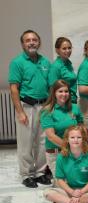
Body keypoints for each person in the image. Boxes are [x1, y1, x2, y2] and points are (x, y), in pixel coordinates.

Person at [9, 30, 52, 188]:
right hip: (26, 106)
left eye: (34, 39)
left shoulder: (46, 62)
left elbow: (51, 86)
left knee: (42, 142)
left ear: (39, 42)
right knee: (26, 142)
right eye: (28, 40)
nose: (32, 42)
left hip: (44, 106)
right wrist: (20, 112)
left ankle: (40, 172)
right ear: (22, 44)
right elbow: (14, 89)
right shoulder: (17, 62)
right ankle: (27, 174)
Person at [43, 125, 88, 203]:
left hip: (86, 190)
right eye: (72, 137)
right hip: (69, 190)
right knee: (47, 193)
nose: (75, 140)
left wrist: (81, 192)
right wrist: (72, 192)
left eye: (79, 137)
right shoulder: (61, 157)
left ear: (83, 139)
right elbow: (60, 180)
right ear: (67, 139)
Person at [41, 80, 83, 178]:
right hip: (56, 154)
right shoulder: (48, 111)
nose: (64, 94)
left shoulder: (75, 108)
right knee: (65, 185)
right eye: (60, 91)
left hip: (75, 151)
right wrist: (70, 147)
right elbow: (51, 136)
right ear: (54, 93)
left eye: (66, 91)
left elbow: (81, 128)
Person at [48, 37, 77, 104]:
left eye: (69, 48)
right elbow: (52, 89)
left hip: (72, 101)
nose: (67, 50)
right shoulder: (56, 66)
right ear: (57, 50)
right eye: (64, 48)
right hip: (63, 103)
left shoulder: (68, 64)